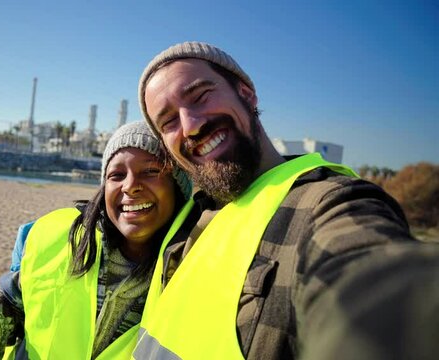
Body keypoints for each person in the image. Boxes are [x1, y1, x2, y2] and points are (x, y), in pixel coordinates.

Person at [134, 41, 439, 359]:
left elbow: (367, 274)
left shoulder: (322, 203)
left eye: (200, 96)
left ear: (246, 93)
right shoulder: (184, 213)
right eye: (168, 122)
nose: (191, 126)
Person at [0, 121, 193, 360]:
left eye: (151, 171)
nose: (130, 186)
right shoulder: (59, 238)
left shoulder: (196, 268)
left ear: (179, 185)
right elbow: (11, 310)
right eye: (116, 175)